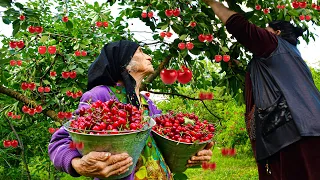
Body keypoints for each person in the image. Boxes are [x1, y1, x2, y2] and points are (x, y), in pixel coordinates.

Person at [48, 40, 214, 180]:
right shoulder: (101, 95)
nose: (149, 56)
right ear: (125, 61)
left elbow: (165, 144)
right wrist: (77, 164)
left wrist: (192, 150)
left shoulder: (147, 103)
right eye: (141, 51)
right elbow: (62, 141)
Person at [203, 0, 320, 179]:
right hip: (301, 131)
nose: (261, 33)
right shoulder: (291, 57)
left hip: (292, 133)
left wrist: (213, 3)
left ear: (277, 33)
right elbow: (264, 78)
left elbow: (242, 28)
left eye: (265, 30)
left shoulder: (274, 43)